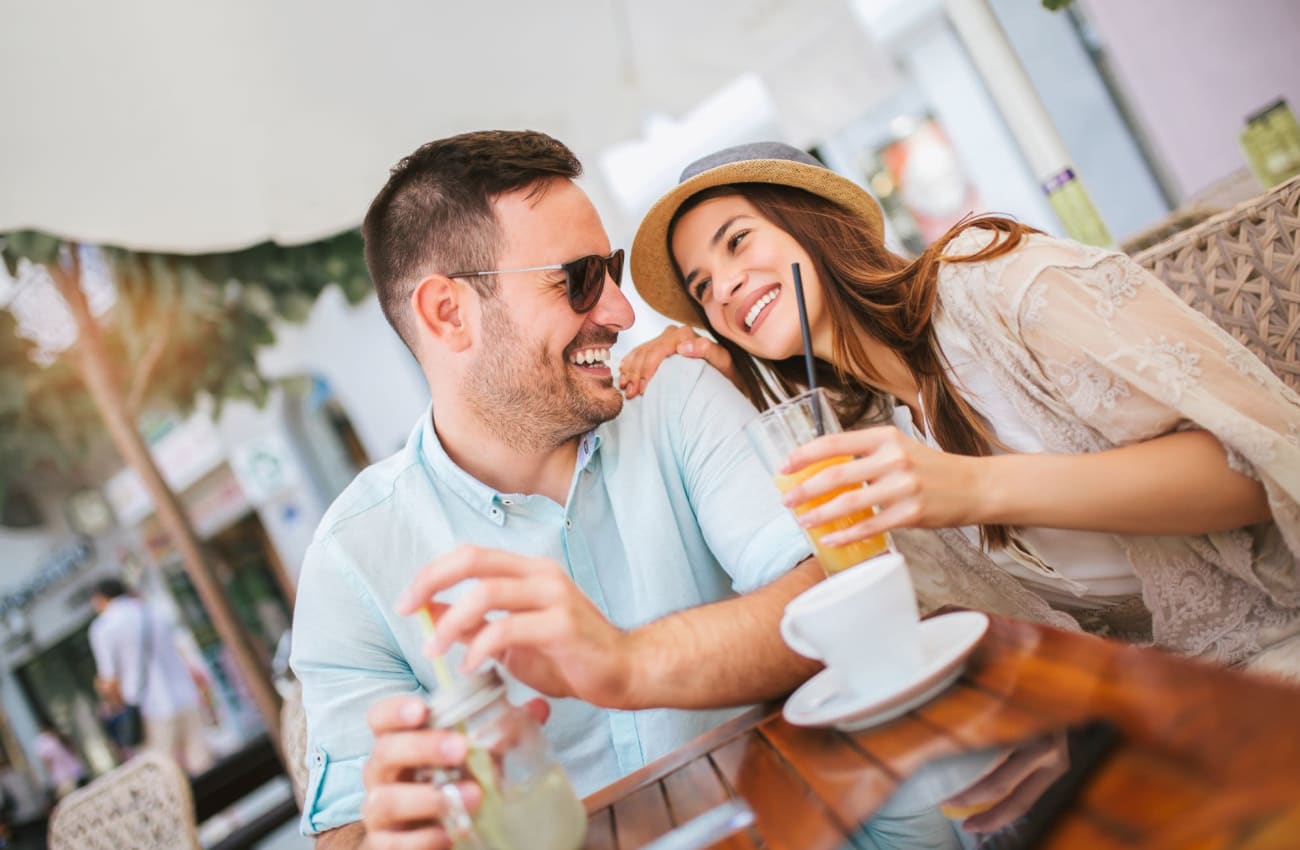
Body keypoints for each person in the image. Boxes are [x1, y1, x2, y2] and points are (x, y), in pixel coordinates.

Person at [289, 130, 823, 849]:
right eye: (577, 278)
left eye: (613, 269)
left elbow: (821, 599)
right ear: (449, 313)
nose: (622, 312)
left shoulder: (675, 397)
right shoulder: (352, 561)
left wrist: (626, 662)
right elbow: (348, 834)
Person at [625, 141, 1300, 674]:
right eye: (702, 287)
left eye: (737, 241)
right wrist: (723, 384)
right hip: (1158, 699)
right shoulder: (866, 434)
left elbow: (1254, 469)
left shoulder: (990, 286)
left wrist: (973, 489)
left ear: (813, 223)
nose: (725, 287)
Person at [88, 578, 214, 775]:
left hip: (150, 708)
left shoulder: (103, 627)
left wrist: (110, 698)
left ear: (100, 599)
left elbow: (110, 680)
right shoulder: (154, 611)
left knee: (163, 774)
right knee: (202, 763)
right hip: (186, 696)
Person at [33, 722, 86, 803]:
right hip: (69, 774)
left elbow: (47, 762)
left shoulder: (48, 741)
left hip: (67, 775)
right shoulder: (47, 741)